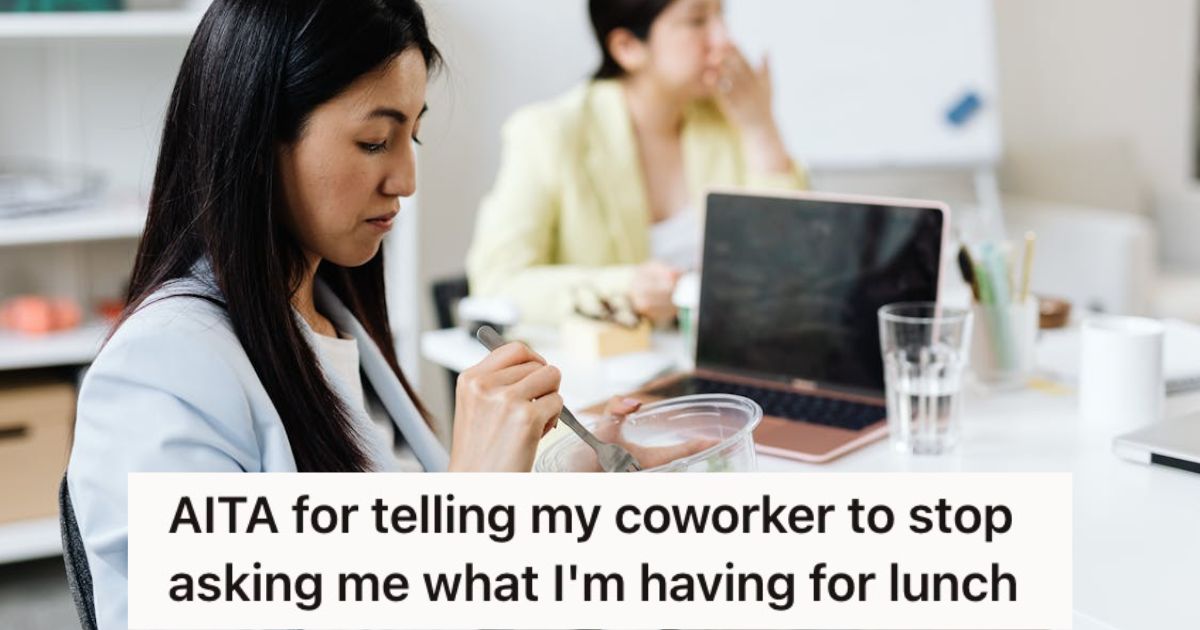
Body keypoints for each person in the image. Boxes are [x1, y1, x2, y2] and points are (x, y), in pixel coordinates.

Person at [66, 2, 638, 627]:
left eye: (411, 136)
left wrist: (559, 466)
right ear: (259, 136)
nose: (406, 179)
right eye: (374, 141)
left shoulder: (328, 319)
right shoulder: (164, 368)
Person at [466, 0, 807, 326]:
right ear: (627, 47)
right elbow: (497, 281)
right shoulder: (550, 134)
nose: (724, 39)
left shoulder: (732, 120)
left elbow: (794, 266)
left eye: (721, 15)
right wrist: (626, 289)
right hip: (593, 375)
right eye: (697, 20)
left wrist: (761, 128)